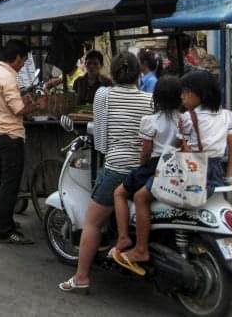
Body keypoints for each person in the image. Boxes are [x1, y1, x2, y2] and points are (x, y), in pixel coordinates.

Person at [113, 71, 232, 272]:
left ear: (201, 94)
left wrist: (163, 173)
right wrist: (229, 176)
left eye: (186, 92)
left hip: (193, 172)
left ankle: (140, 249)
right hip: (215, 173)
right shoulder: (227, 115)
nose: (182, 97)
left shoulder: (188, 118)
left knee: (140, 197)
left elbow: (180, 151)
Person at [59, 52, 154, 292]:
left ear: (111, 73)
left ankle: (81, 277)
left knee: (91, 222)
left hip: (117, 168)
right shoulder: (150, 99)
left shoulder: (104, 95)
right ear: (139, 73)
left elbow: (100, 140)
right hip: (145, 171)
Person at [110, 76, 190, 272]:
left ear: (157, 97)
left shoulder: (150, 121)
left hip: (154, 167)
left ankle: (123, 237)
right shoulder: (184, 120)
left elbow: (145, 151)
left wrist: (140, 167)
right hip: (177, 167)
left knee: (119, 193)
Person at [0, 39, 46, 244]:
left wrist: (25, 100)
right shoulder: (8, 76)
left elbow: (7, 103)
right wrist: (37, 105)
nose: (23, 64)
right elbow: (18, 110)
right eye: (23, 60)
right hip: (10, 135)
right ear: (16, 57)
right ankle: (6, 229)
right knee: (9, 183)